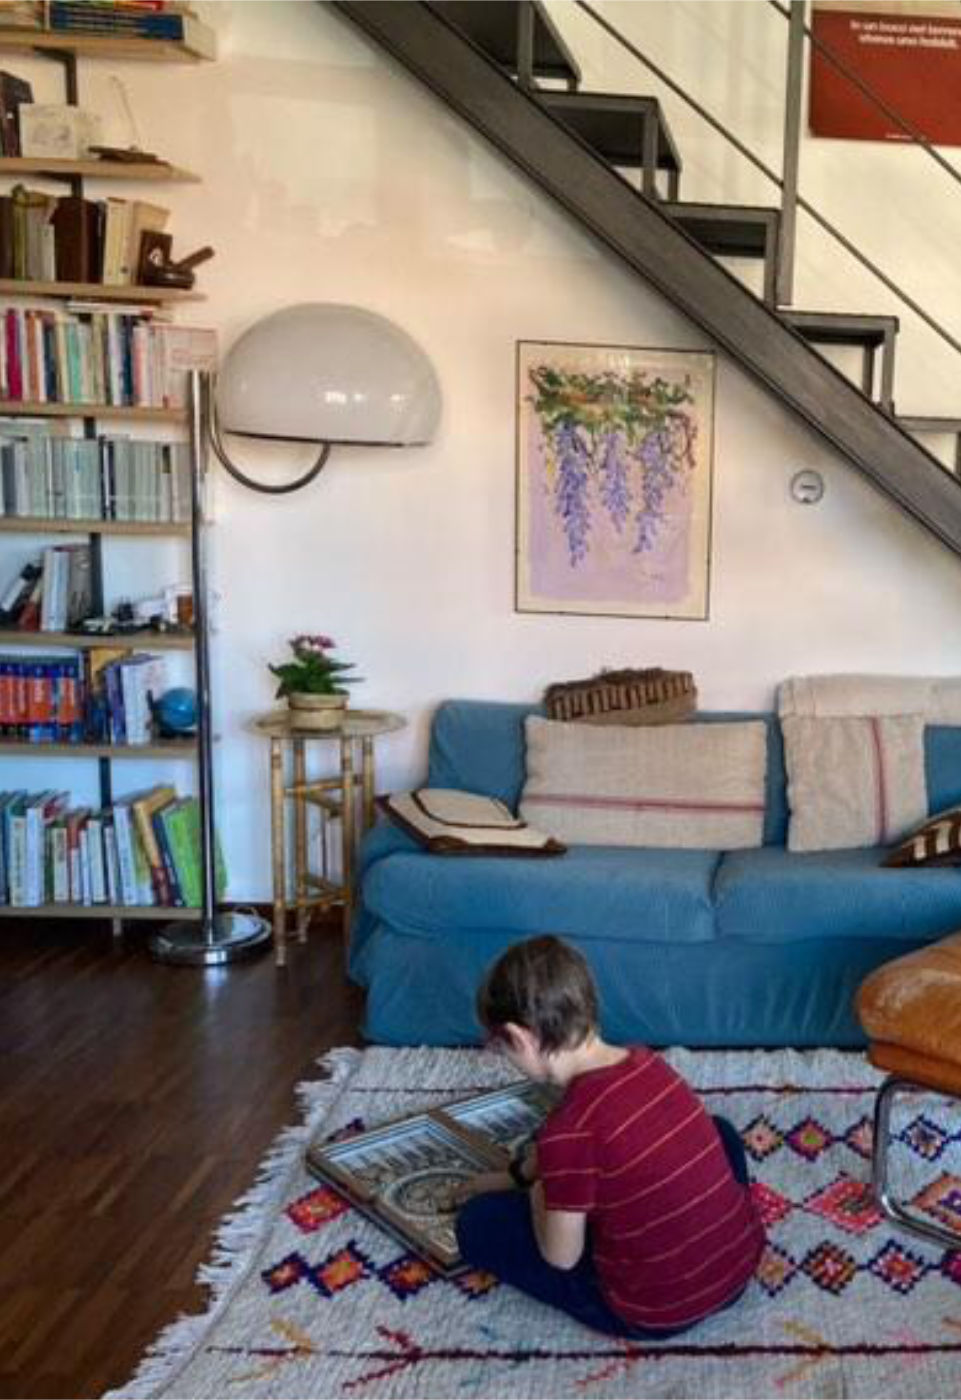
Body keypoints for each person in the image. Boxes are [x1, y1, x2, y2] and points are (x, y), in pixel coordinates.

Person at [454, 934, 766, 1337]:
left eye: (502, 1048)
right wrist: (521, 1173)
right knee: (718, 1130)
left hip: (653, 1313)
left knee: (477, 1224)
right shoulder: (648, 1062)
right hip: (737, 1274)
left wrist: (539, 1194)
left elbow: (561, 1257)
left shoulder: (567, 1133)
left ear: (521, 1038)